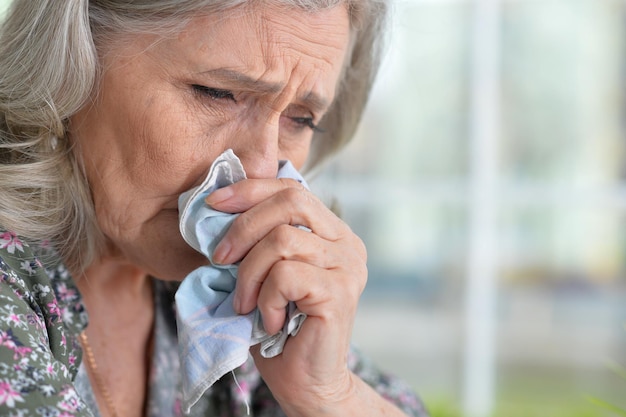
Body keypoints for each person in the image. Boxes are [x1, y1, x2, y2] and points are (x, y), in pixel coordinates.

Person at [0, 1, 429, 416]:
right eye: (218, 94)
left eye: (300, 119)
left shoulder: (229, 295)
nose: (260, 168)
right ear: (71, 56)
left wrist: (329, 394)